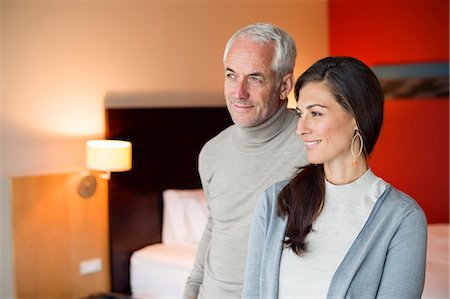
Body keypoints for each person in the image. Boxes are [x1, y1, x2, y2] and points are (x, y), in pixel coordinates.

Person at [242, 56, 428, 299]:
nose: (301, 128)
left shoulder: (402, 219)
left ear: (355, 118)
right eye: (300, 114)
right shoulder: (275, 202)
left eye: (316, 113)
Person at [183, 23, 308, 298]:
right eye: (231, 75)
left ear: (284, 85)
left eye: (255, 78)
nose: (238, 92)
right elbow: (216, 225)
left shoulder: (312, 144)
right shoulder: (212, 152)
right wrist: (192, 289)